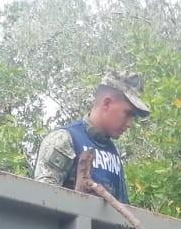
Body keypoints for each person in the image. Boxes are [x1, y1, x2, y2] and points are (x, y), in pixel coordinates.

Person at [33, 72, 150, 202]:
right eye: (127, 114)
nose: (130, 124)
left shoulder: (113, 153)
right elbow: (43, 201)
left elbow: (123, 210)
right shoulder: (65, 140)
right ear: (106, 104)